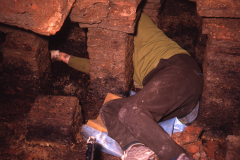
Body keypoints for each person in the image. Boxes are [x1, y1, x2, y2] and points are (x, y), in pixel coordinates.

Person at [51, 13, 202, 160]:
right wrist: (61, 56)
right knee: (110, 109)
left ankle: (175, 156)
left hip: (180, 70)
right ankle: (137, 150)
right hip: (177, 104)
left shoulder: (138, 25)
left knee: (130, 112)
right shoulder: (118, 62)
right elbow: (93, 67)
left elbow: (124, 14)